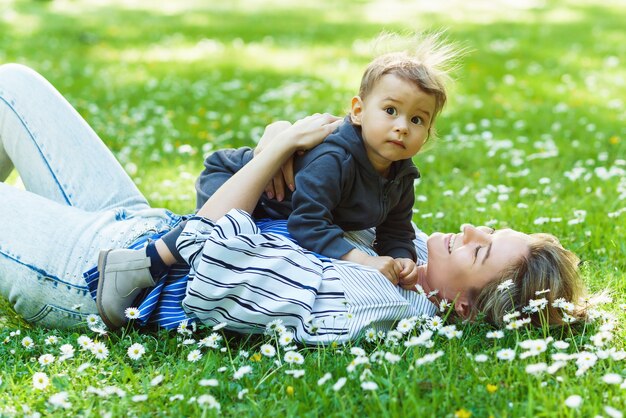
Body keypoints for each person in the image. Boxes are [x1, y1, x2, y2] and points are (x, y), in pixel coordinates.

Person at [0, 64, 589, 344]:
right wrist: (285, 150)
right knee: (14, 84)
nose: (466, 226)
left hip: (103, 271)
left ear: (462, 308)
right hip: (140, 221)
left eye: (480, 247)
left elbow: (208, 244)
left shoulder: (369, 298)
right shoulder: (407, 260)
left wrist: (271, 151)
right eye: (488, 228)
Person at [139, 35, 457, 294]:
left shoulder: (401, 174)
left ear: (427, 133)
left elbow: (396, 229)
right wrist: (360, 259)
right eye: (390, 110)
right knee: (217, 240)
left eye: (417, 119)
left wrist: (402, 258)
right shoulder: (336, 159)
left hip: (280, 208)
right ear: (358, 111)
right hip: (236, 182)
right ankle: (149, 262)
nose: (402, 125)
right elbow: (308, 224)